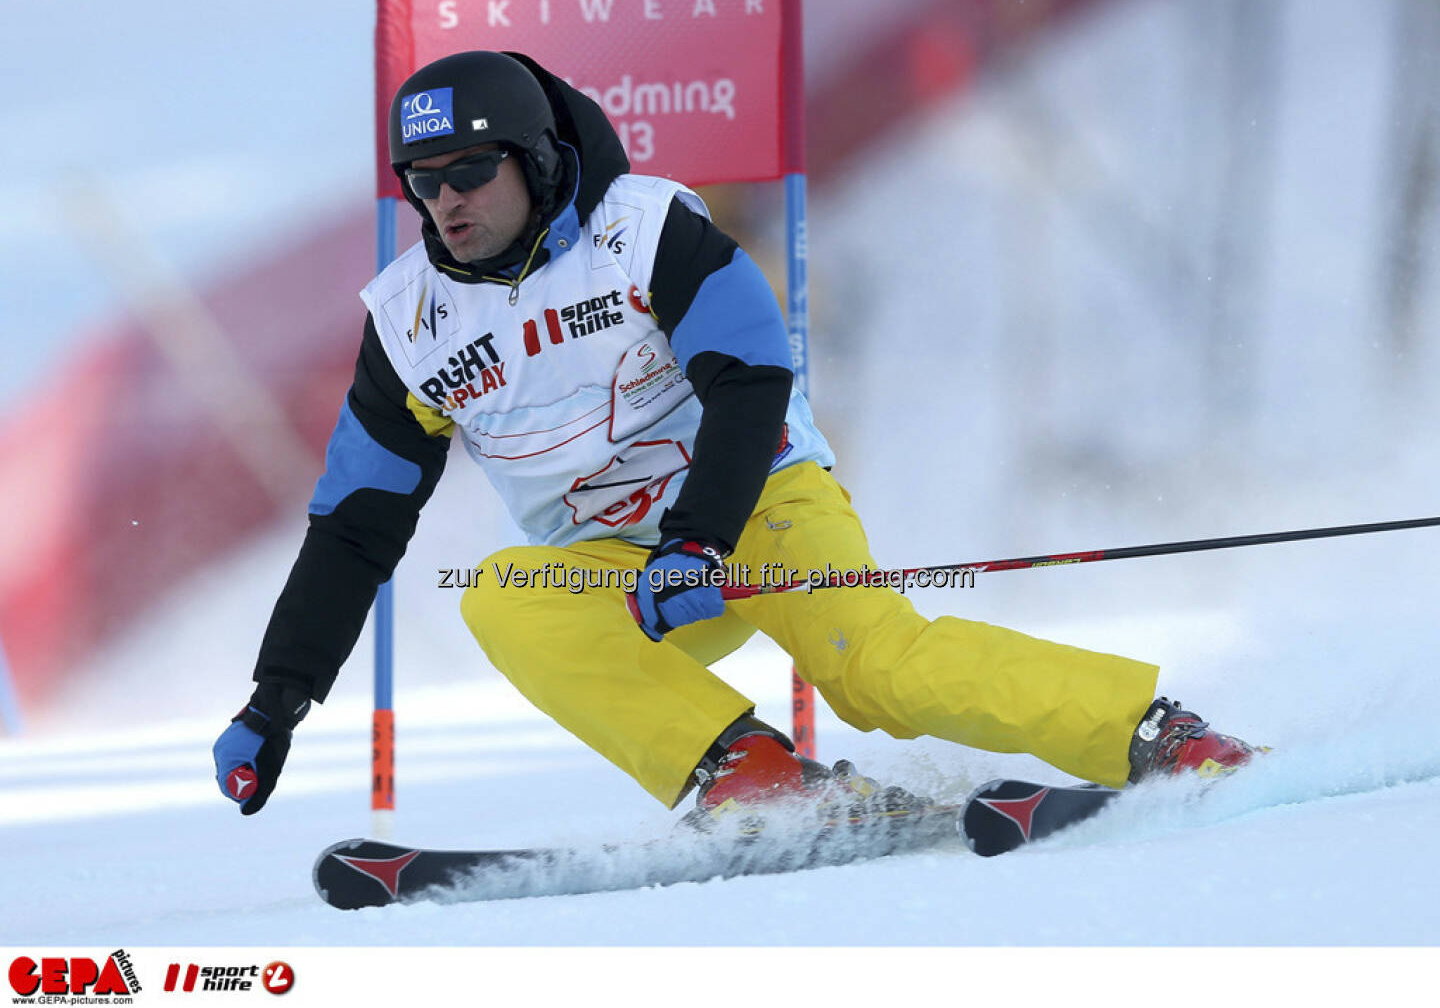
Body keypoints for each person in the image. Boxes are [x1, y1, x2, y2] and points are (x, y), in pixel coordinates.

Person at [213, 51, 1260, 825]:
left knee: (877, 673)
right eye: (423, 180)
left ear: (533, 159)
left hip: (757, 506)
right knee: (498, 593)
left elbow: (751, 377)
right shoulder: (407, 326)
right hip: (613, 566)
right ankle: (746, 772)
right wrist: (278, 698)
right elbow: (355, 526)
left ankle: (1154, 733)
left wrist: (701, 538)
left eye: (470, 173)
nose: (445, 202)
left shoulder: (647, 229)